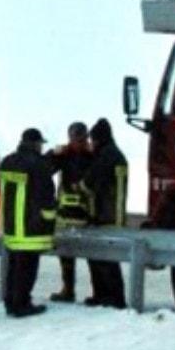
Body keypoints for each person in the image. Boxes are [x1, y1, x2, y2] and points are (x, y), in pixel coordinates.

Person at [0, 128, 57, 318]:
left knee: (13, 266)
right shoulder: (39, 165)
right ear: (36, 144)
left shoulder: (7, 161)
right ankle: (23, 304)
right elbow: (47, 196)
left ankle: (10, 302)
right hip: (31, 228)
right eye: (40, 143)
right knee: (27, 269)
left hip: (11, 227)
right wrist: (50, 220)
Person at [81, 118, 129, 308]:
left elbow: (89, 184)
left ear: (99, 139)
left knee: (103, 260)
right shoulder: (116, 155)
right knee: (106, 259)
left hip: (104, 216)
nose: (91, 144)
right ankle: (107, 296)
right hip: (115, 214)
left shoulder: (105, 157)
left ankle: (110, 298)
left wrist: (79, 185)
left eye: (93, 140)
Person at [45, 122, 94, 303]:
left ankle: (96, 291)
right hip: (65, 213)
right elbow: (44, 169)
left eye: (82, 138)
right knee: (65, 253)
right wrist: (53, 153)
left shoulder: (92, 156)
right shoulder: (64, 155)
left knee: (93, 254)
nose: (79, 142)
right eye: (76, 139)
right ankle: (68, 289)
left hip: (86, 213)